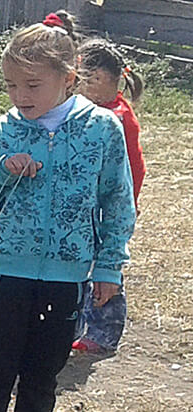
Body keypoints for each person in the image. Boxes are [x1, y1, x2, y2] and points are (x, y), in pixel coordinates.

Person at [0, 14, 135, 412]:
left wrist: (108, 266)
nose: (20, 95)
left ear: (69, 77)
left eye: (32, 84)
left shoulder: (102, 129)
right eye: (11, 84)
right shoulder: (2, 131)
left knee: (43, 374)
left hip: (67, 275)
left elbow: (118, 200)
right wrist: (0, 169)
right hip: (5, 272)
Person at [73, 38, 145, 356]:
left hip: (110, 205)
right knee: (82, 265)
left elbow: (131, 171)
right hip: (90, 202)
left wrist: (123, 208)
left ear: (108, 80)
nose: (83, 86)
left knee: (106, 269)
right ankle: (76, 324)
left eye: (90, 80)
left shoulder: (115, 117)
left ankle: (104, 331)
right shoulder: (96, 111)